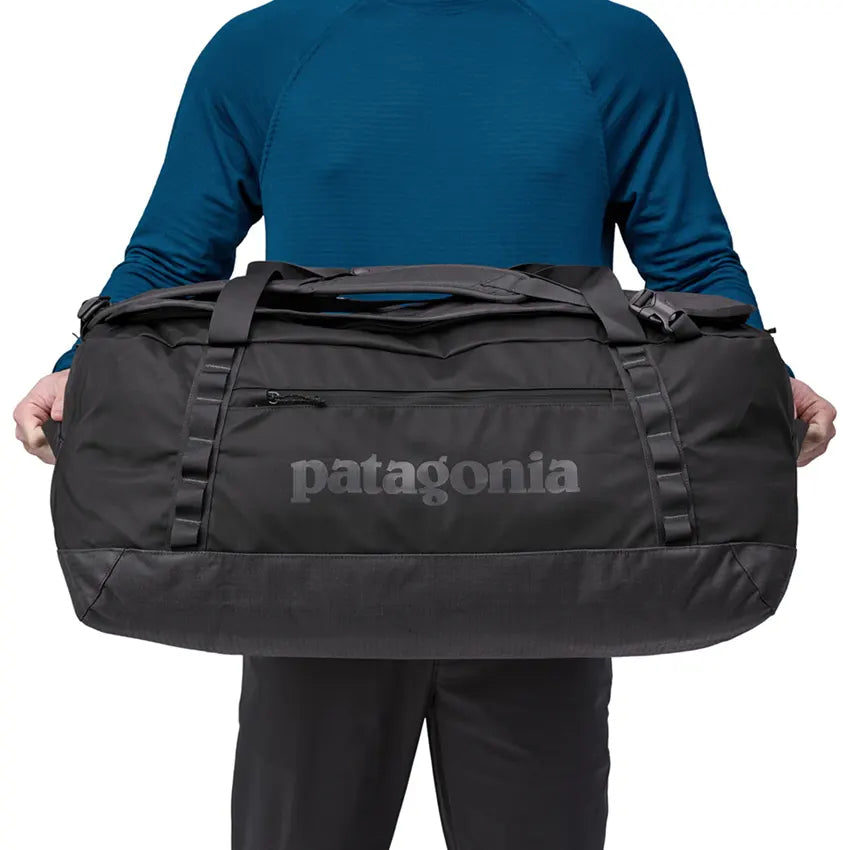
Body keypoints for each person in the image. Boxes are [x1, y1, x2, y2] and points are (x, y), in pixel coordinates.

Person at [13, 1, 837, 848]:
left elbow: (690, 261)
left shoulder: (615, 47)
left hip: (545, 529)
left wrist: (766, 378)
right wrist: (78, 368)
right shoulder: (261, 47)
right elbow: (173, 260)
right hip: (315, 529)